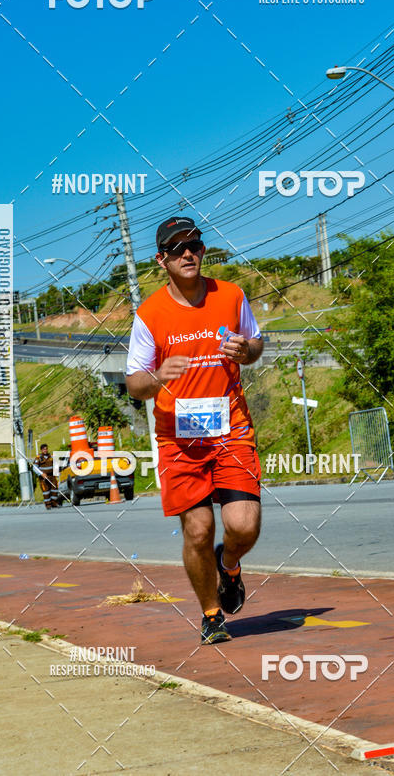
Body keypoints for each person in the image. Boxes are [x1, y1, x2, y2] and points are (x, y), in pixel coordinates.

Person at [125, 216, 264, 644]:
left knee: (243, 526)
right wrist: (158, 376)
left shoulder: (231, 295)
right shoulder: (149, 315)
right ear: (161, 260)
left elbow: (256, 344)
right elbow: (134, 382)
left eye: (195, 246)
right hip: (178, 439)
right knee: (199, 530)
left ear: (203, 251)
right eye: (177, 248)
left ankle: (230, 566)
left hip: (231, 430)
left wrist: (247, 351)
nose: (188, 254)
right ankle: (211, 615)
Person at [33, 444, 59, 509]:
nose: (45, 450)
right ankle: (48, 505)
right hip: (43, 478)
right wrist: (41, 474)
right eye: (44, 449)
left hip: (52, 476)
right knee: (46, 491)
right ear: (41, 450)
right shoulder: (38, 458)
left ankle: (54, 503)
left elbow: (56, 465)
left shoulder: (51, 457)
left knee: (54, 490)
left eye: (46, 449)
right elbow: (35, 468)